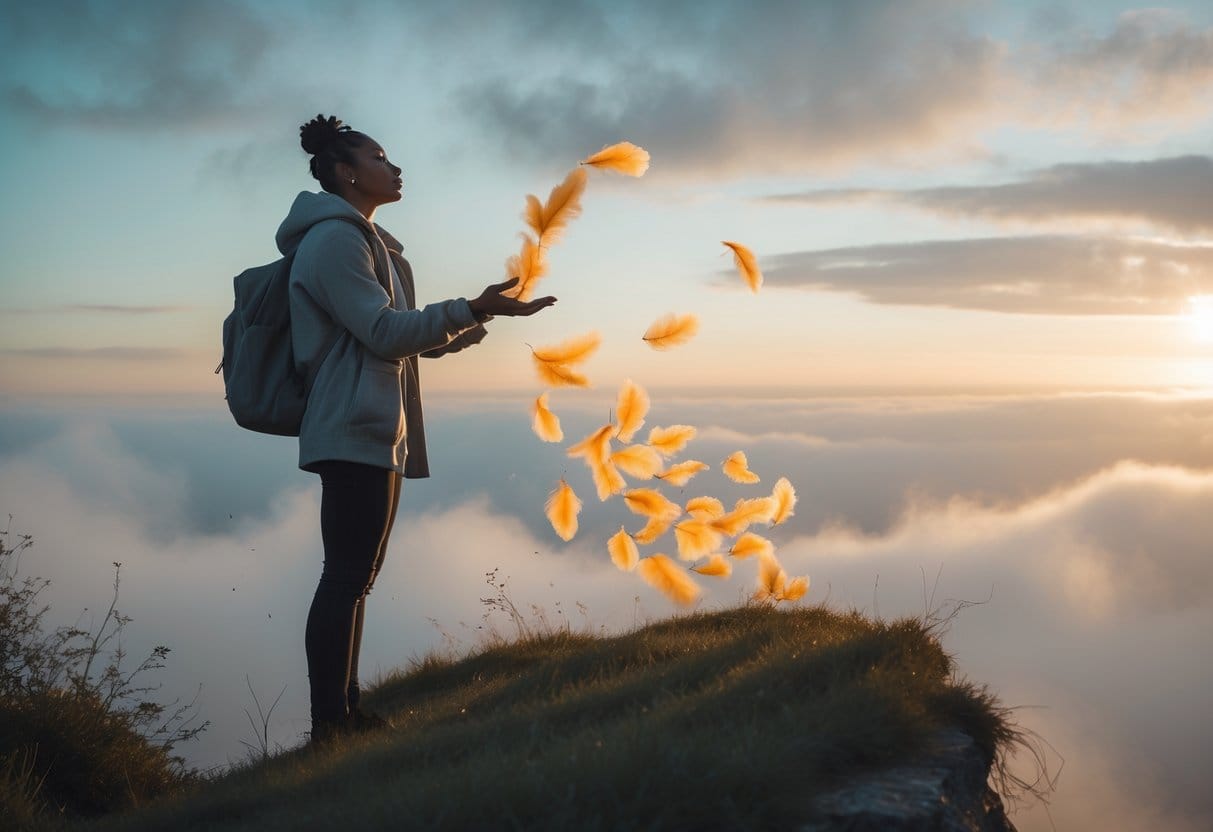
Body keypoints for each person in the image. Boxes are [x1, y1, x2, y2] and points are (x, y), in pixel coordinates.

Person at [275, 114, 556, 744]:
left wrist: (476, 318)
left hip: (374, 428)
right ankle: (330, 726)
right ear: (347, 173)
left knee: (356, 576)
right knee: (346, 574)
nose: (394, 167)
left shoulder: (371, 244)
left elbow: (405, 342)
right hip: (350, 425)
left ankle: (348, 711)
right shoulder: (335, 242)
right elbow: (382, 334)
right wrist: (471, 307)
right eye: (380, 157)